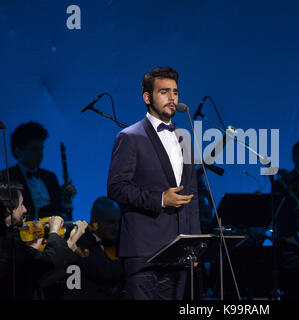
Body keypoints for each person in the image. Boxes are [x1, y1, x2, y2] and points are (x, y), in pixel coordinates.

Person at [107, 66, 200, 300]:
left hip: (178, 252)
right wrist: (160, 199)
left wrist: (195, 245)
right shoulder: (130, 137)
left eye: (175, 92)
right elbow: (116, 187)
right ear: (147, 97)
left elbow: (192, 195)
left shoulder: (185, 138)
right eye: (164, 92)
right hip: (144, 251)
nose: (172, 98)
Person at [0, 182, 87, 299]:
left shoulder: (10, 236)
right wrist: (55, 233)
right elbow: (47, 266)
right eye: (21, 205)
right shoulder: (8, 240)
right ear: (9, 209)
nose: (25, 210)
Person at [0, 122, 76, 221]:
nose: (40, 154)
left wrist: (65, 198)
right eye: (34, 149)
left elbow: (60, 211)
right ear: (18, 151)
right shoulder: (6, 177)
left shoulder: (50, 177)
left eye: (41, 149)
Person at [64, 196, 123, 300]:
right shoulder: (79, 240)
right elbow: (104, 272)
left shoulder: (114, 241)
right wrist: (131, 262)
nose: (116, 228)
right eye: (111, 222)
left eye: (118, 222)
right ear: (94, 221)